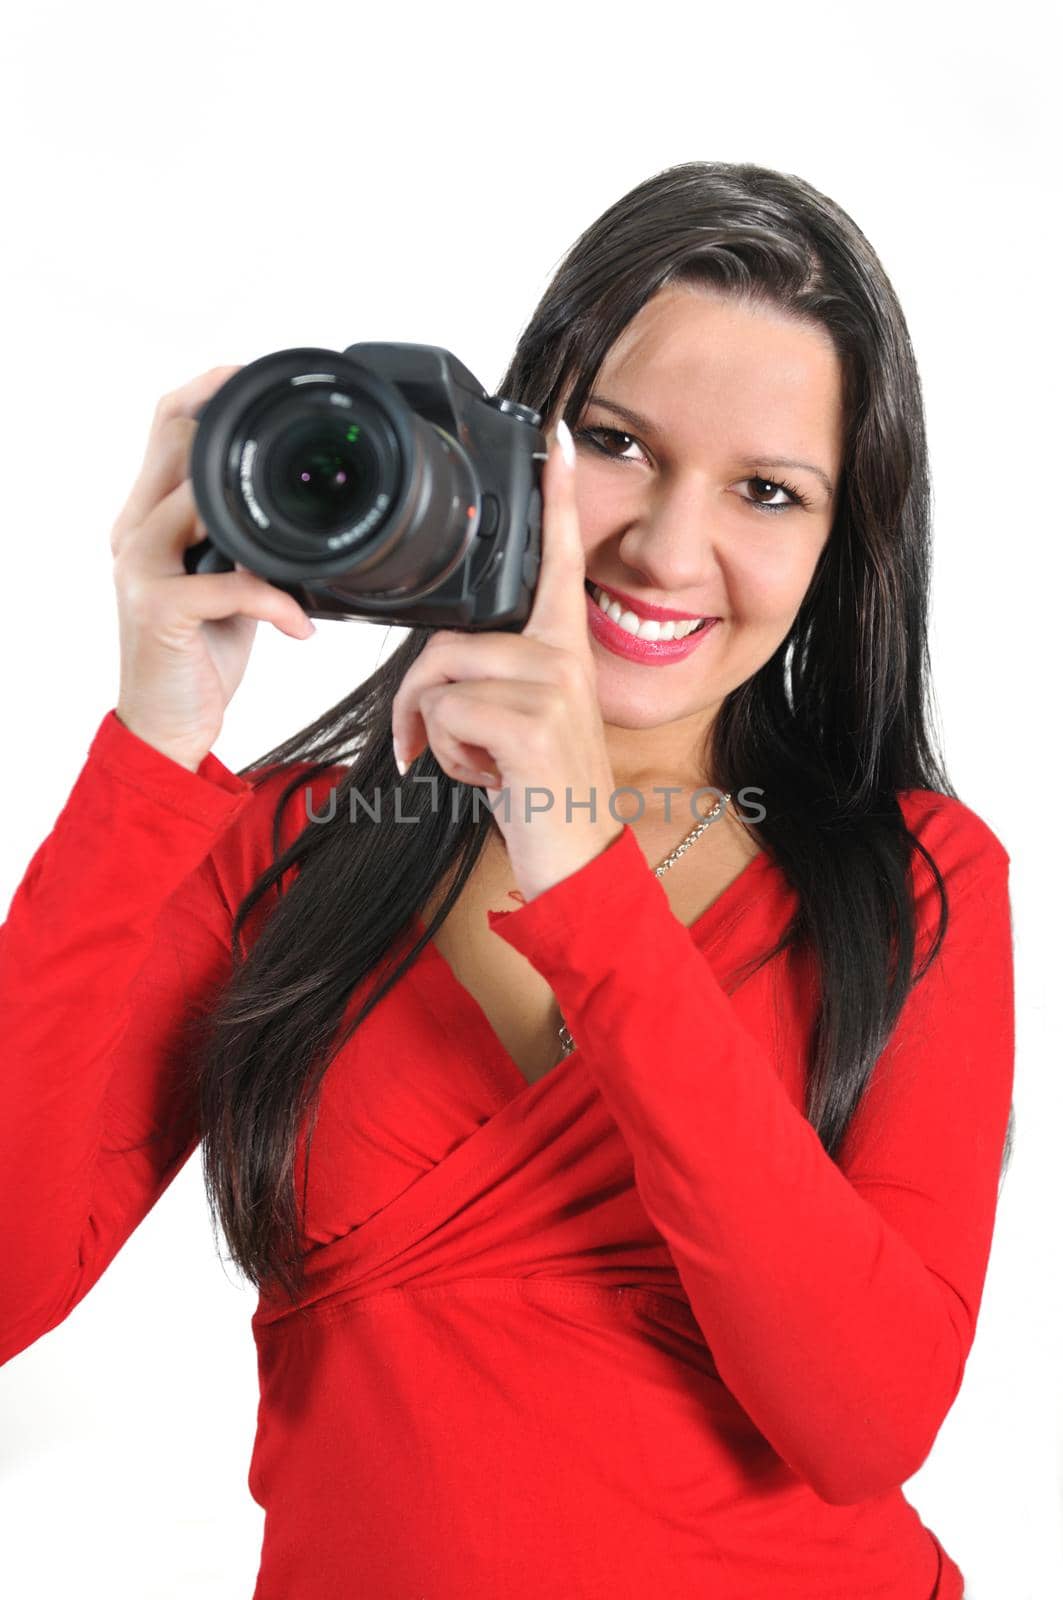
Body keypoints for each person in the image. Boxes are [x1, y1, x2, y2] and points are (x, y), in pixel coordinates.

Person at [0, 161, 1012, 1600]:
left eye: (769, 491)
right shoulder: (281, 844)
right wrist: (155, 740)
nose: (668, 548)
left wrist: (578, 856)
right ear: (510, 442)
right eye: (618, 442)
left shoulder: (917, 880)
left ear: (841, 548)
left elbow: (866, 1421)